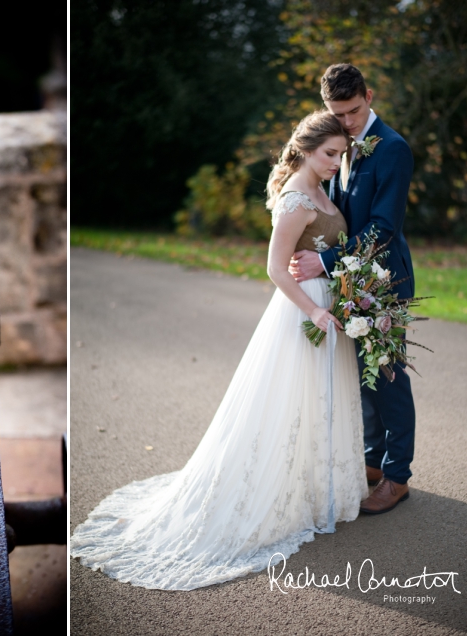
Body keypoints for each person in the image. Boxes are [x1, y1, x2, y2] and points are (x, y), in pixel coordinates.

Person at [70, 110, 368, 590]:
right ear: (307, 149)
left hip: (328, 302)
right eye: (330, 154)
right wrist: (313, 312)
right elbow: (274, 268)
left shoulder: (321, 188)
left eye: (341, 154)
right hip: (302, 312)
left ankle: (318, 490)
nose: (337, 162)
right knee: (287, 402)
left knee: (320, 400)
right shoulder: (296, 198)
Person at [290, 64, 416, 515]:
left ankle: (398, 476)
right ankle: (371, 463)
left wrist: (323, 262)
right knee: (361, 379)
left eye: (353, 110)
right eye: (336, 113)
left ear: (369, 94)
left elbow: (383, 227)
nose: (346, 122)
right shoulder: (342, 143)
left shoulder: (394, 150)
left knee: (387, 378)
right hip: (350, 279)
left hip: (386, 282)